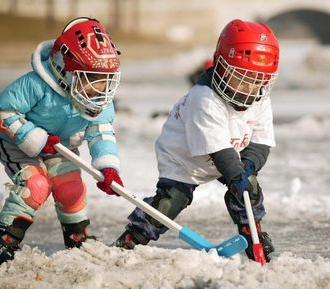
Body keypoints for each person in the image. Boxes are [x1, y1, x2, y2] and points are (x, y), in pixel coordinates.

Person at [114, 19, 279, 262]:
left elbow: (261, 142)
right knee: (170, 203)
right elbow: (220, 151)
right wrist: (237, 174)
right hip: (185, 157)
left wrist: (249, 169)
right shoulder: (204, 98)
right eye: (241, 77)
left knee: (248, 187)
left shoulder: (260, 99)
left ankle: (252, 233)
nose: (249, 88)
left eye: (257, 81)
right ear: (222, 67)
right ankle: (131, 238)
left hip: (229, 151)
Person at [0, 17, 124, 265]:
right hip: (17, 144)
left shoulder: (98, 101)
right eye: (93, 80)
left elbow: (101, 133)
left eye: (106, 82)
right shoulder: (35, 85)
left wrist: (108, 167)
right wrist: (33, 137)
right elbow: (4, 112)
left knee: (71, 188)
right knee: (35, 186)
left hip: (60, 148)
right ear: (64, 69)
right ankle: (6, 239)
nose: (100, 90)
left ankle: (77, 238)